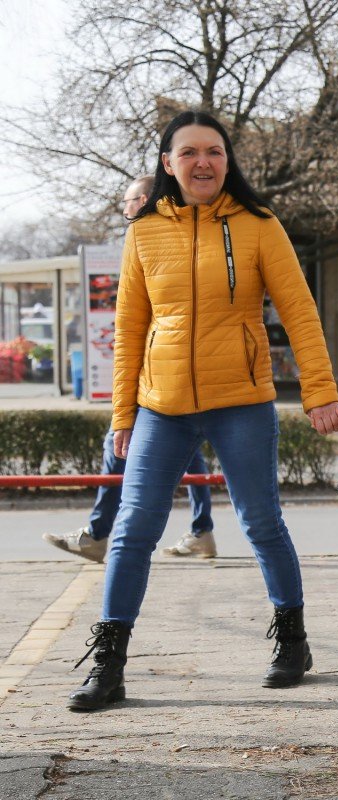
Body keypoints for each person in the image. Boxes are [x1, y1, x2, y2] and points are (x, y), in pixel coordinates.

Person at [66, 110, 338, 712]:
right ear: (168, 164)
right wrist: (122, 413)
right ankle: (109, 665)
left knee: (261, 523)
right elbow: (129, 327)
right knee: (132, 530)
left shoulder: (258, 224)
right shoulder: (144, 231)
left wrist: (319, 390)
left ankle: (292, 641)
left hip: (241, 401)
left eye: (214, 151)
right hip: (160, 406)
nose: (203, 162)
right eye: (189, 152)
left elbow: (299, 310)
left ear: (227, 161)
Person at [44, 175, 217, 563]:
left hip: (155, 374)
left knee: (117, 447)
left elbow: (142, 319)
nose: (125, 210)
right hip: (172, 374)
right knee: (190, 453)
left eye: (128, 201)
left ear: (145, 199)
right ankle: (201, 530)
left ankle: (97, 535)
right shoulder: (175, 234)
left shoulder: (155, 240)